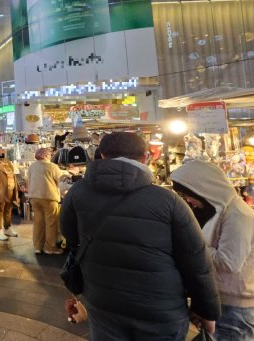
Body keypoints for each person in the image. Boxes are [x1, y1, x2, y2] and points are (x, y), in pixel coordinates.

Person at [60, 132, 220, 340]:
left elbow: (70, 237)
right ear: (145, 157)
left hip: (102, 299)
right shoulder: (167, 200)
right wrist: (206, 310)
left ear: (102, 156)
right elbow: (196, 259)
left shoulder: (77, 192)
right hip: (159, 307)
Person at [172, 160, 254, 341]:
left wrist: (191, 245)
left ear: (202, 188)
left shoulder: (238, 215)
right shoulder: (219, 211)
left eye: (189, 194)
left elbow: (228, 262)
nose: (188, 200)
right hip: (223, 299)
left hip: (235, 306)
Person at [26, 148, 64, 254]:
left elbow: (28, 180)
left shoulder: (32, 166)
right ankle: (50, 247)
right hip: (49, 197)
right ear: (47, 155)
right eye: (49, 154)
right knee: (51, 223)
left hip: (34, 197)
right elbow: (61, 182)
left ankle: (38, 247)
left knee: (38, 222)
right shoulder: (52, 167)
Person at [0, 146, 19, 241]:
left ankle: (7, 227)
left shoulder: (8, 162)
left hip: (11, 189)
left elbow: (13, 174)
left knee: (8, 208)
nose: (1, 153)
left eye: (2, 151)